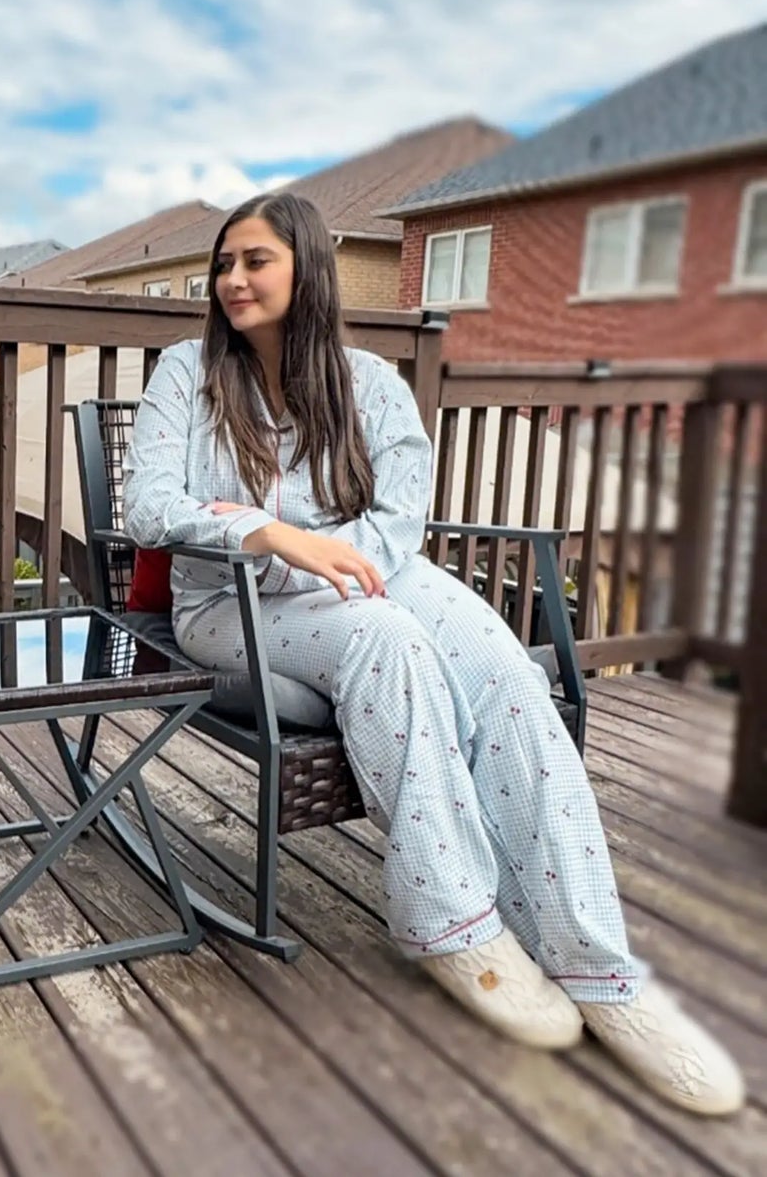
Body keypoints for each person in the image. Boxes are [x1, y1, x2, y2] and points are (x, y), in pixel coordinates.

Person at [122, 190, 744, 1117]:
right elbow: (146, 506)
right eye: (224, 264)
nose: (233, 280)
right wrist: (269, 535)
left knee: (507, 675)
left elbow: (396, 519)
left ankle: (600, 970)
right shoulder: (186, 371)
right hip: (232, 603)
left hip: (366, 578)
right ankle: (455, 922)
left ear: (306, 270)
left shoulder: (368, 382)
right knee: (389, 641)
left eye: (254, 260)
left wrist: (339, 562)